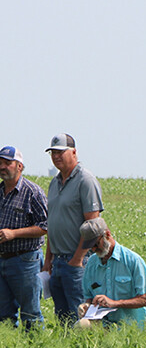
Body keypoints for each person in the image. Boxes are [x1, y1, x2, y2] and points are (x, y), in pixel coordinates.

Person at [43, 133, 104, 322]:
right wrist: (48, 260)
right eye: (53, 153)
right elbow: (52, 223)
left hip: (78, 261)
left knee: (80, 315)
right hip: (58, 261)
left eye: (61, 152)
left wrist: (77, 259)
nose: (56, 157)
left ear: (74, 152)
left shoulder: (85, 180)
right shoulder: (54, 183)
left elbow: (93, 225)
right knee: (62, 318)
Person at [76, 218, 146, 330]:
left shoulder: (133, 261)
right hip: (102, 327)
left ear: (107, 235)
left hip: (130, 329)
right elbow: (89, 296)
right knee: (80, 327)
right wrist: (86, 306)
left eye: (96, 244)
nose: (94, 249)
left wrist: (114, 303)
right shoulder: (91, 264)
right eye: (90, 247)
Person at [0, 146, 47, 329]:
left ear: (19, 166)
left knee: (31, 313)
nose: (3, 167)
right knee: (3, 314)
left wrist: (13, 234)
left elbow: (45, 226)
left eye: (8, 163)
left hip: (25, 260)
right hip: (2, 259)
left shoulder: (32, 192)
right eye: (0, 163)